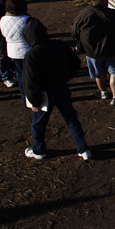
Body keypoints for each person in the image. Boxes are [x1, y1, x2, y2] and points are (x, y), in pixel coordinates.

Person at [22, 18, 91, 161]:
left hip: (44, 94)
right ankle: (83, 149)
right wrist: (66, 77)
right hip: (62, 88)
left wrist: (34, 101)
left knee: (39, 124)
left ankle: (39, 150)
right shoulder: (59, 45)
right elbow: (75, 62)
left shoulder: (32, 55)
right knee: (71, 119)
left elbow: (30, 81)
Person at [71, 0, 115, 106]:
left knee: (99, 73)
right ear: (104, 1)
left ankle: (103, 92)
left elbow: (74, 31)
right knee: (114, 73)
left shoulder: (84, 14)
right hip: (112, 50)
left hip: (92, 51)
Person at [0, 0, 32, 105]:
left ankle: (25, 100)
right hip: (27, 52)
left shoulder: (3, 19)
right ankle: (33, 100)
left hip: (13, 52)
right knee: (31, 78)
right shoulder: (27, 20)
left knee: (20, 77)